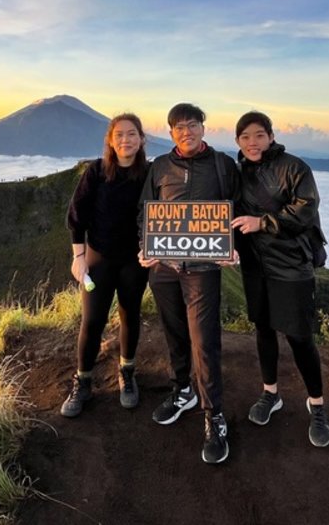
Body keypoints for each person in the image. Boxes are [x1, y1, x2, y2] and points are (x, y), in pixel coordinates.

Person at [138, 102, 239, 464]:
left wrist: (232, 246)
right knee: (175, 333)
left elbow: (235, 208)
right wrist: (144, 248)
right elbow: (145, 210)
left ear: (203, 128)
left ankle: (214, 416)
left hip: (203, 268)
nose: (187, 132)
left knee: (204, 341)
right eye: (179, 127)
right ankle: (184, 390)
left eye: (192, 125)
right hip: (163, 267)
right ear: (171, 133)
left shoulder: (223, 165)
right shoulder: (160, 168)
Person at [230, 110, 329, 448]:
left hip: (291, 266)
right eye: (245, 137)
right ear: (237, 142)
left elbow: (305, 209)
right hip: (255, 266)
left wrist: (264, 223)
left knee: (300, 337)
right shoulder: (238, 172)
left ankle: (316, 405)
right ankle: (270, 393)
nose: (253, 143)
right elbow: (228, 213)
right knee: (263, 329)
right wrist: (225, 245)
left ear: (271, 136)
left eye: (259, 135)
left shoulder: (294, 167)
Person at [60, 113, 151, 418]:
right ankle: (83, 380)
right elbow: (77, 216)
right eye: (120, 135)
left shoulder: (149, 174)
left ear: (141, 139)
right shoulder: (96, 172)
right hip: (98, 257)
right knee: (93, 319)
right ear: (111, 140)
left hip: (134, 260)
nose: (126, 140)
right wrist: (78, 257)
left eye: (132, 134)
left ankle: (127, 372)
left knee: (130, 314)